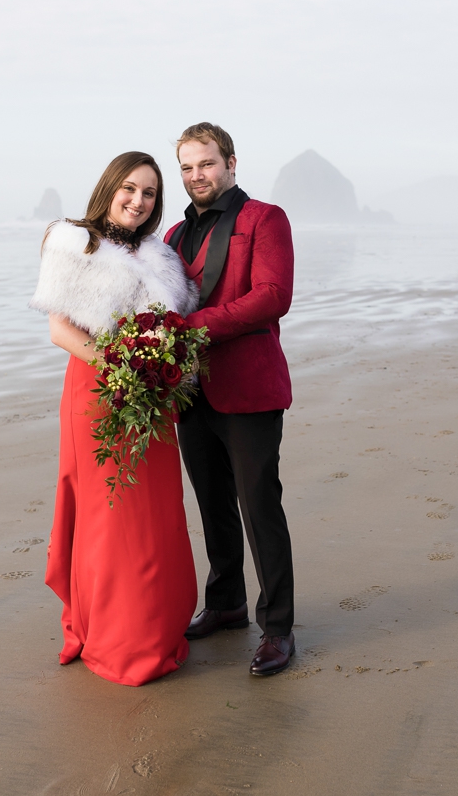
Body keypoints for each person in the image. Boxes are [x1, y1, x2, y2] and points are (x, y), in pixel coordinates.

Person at [29, 151, 199, 687]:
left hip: (153, 398)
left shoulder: (161, 256)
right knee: (110, 512)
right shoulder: (73, 242)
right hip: (97, 391)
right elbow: (61, 331)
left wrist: (156, 369)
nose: (138, 201)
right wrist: (125, 366)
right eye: (129, 188)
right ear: (109, 188)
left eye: (149, 193)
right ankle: (114, 636)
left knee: (155, 512)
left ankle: (155, 626)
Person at [166, 123, 298, 676]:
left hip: (249, 388)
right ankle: (225, 603)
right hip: (191, 393)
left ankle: (278, 629)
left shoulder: (264, 219)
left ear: (231, 163)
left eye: (207, 164)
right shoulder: (172, 236)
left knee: (258, 506)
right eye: (188, 168)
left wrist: (192, 327)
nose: (198, 175)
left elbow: (272, 297)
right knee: (212, 504)